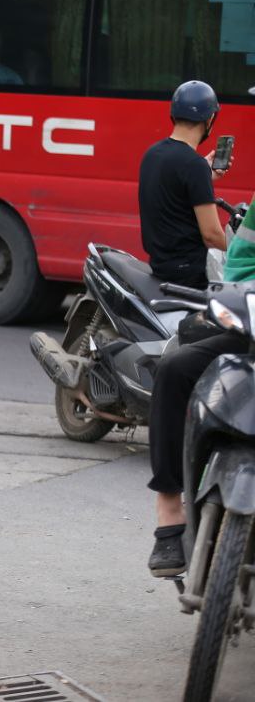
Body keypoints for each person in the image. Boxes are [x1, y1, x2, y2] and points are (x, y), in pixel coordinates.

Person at [144, 82, 239, 577]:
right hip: (198, 286)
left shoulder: (157, 157)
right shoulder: (192, 168)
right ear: (211, 121)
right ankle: (169, 516)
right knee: (175, 366)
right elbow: (217, 239)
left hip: (165, 269)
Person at [138, 80, 228, 291]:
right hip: (190, 274)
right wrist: (243, 252)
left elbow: (174, 189)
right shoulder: (193, 165)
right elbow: (212, 235)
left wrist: (205, 174)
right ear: (210, 119)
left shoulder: (153, 154)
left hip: (160, 266)